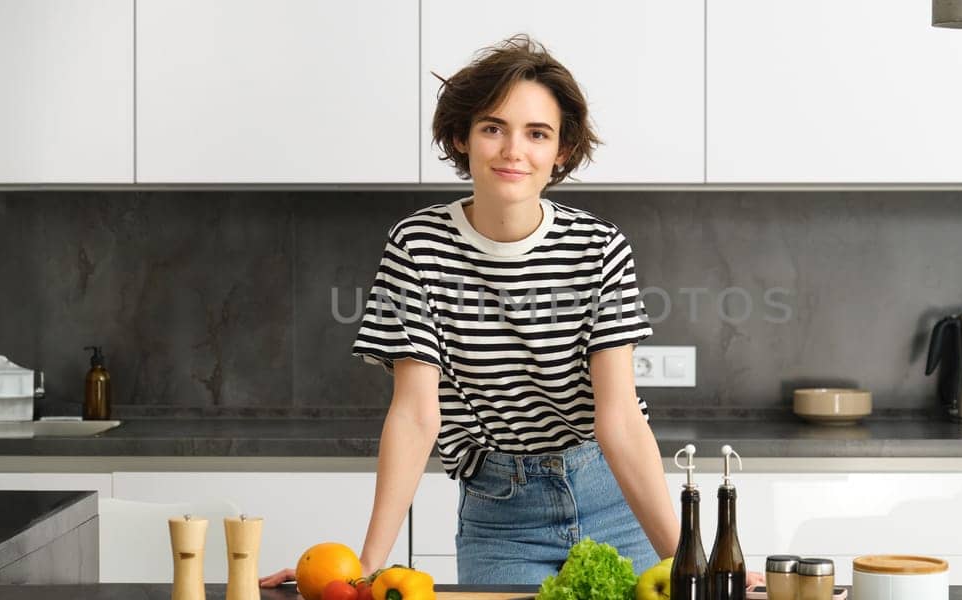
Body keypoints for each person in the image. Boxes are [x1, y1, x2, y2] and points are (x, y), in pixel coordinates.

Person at [262, 35, 759, 587]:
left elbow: (618, 420)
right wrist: (364, 573)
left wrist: (692, 567)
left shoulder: (599, 247)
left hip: (612, 498)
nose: (513, 150)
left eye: (537, 133)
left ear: (561, 151)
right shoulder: (417, 247)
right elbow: (415, 415)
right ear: (461, 138)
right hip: (501, 515)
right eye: (493, 128)